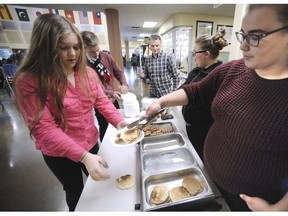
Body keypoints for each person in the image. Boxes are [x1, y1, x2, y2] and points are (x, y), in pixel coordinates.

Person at [145, 4, 288, 211]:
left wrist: (275, 211)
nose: (243, 46)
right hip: (207, 174)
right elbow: (195, 91)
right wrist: (161, 102)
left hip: (251, 200)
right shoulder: (234, 70)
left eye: (256, 36)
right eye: (243, 35)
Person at [14, 14, 129, 211]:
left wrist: (121, 123)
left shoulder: (87, 73)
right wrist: (83, 156)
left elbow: (102, 102)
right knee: (75, 191)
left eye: (76, 47)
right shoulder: (29, 81)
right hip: (59, 153)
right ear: (45, 48)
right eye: (64, 48)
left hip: (89, 141)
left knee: (101, 184)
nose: (73, 54)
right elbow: (44, 128)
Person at [180, 28, 228, 160]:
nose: (193, 56)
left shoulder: (220, 76)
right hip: (191, 127)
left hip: (205, 131)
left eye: (195, 53)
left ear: (207, 54)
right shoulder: (196, 71)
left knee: (202, 159)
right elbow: (183, 90)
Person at [81, 31, 129, 141]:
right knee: (104, 127)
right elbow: (93, 88)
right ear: (84, 49)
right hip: (98, 103)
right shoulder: (83, 65)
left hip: (112, 100)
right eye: (92, 52)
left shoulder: (106, 57)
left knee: (118, 124)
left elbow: (119, 72)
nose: (97, 54)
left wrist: (124, 84)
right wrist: (111, 93)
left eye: (98, 50)